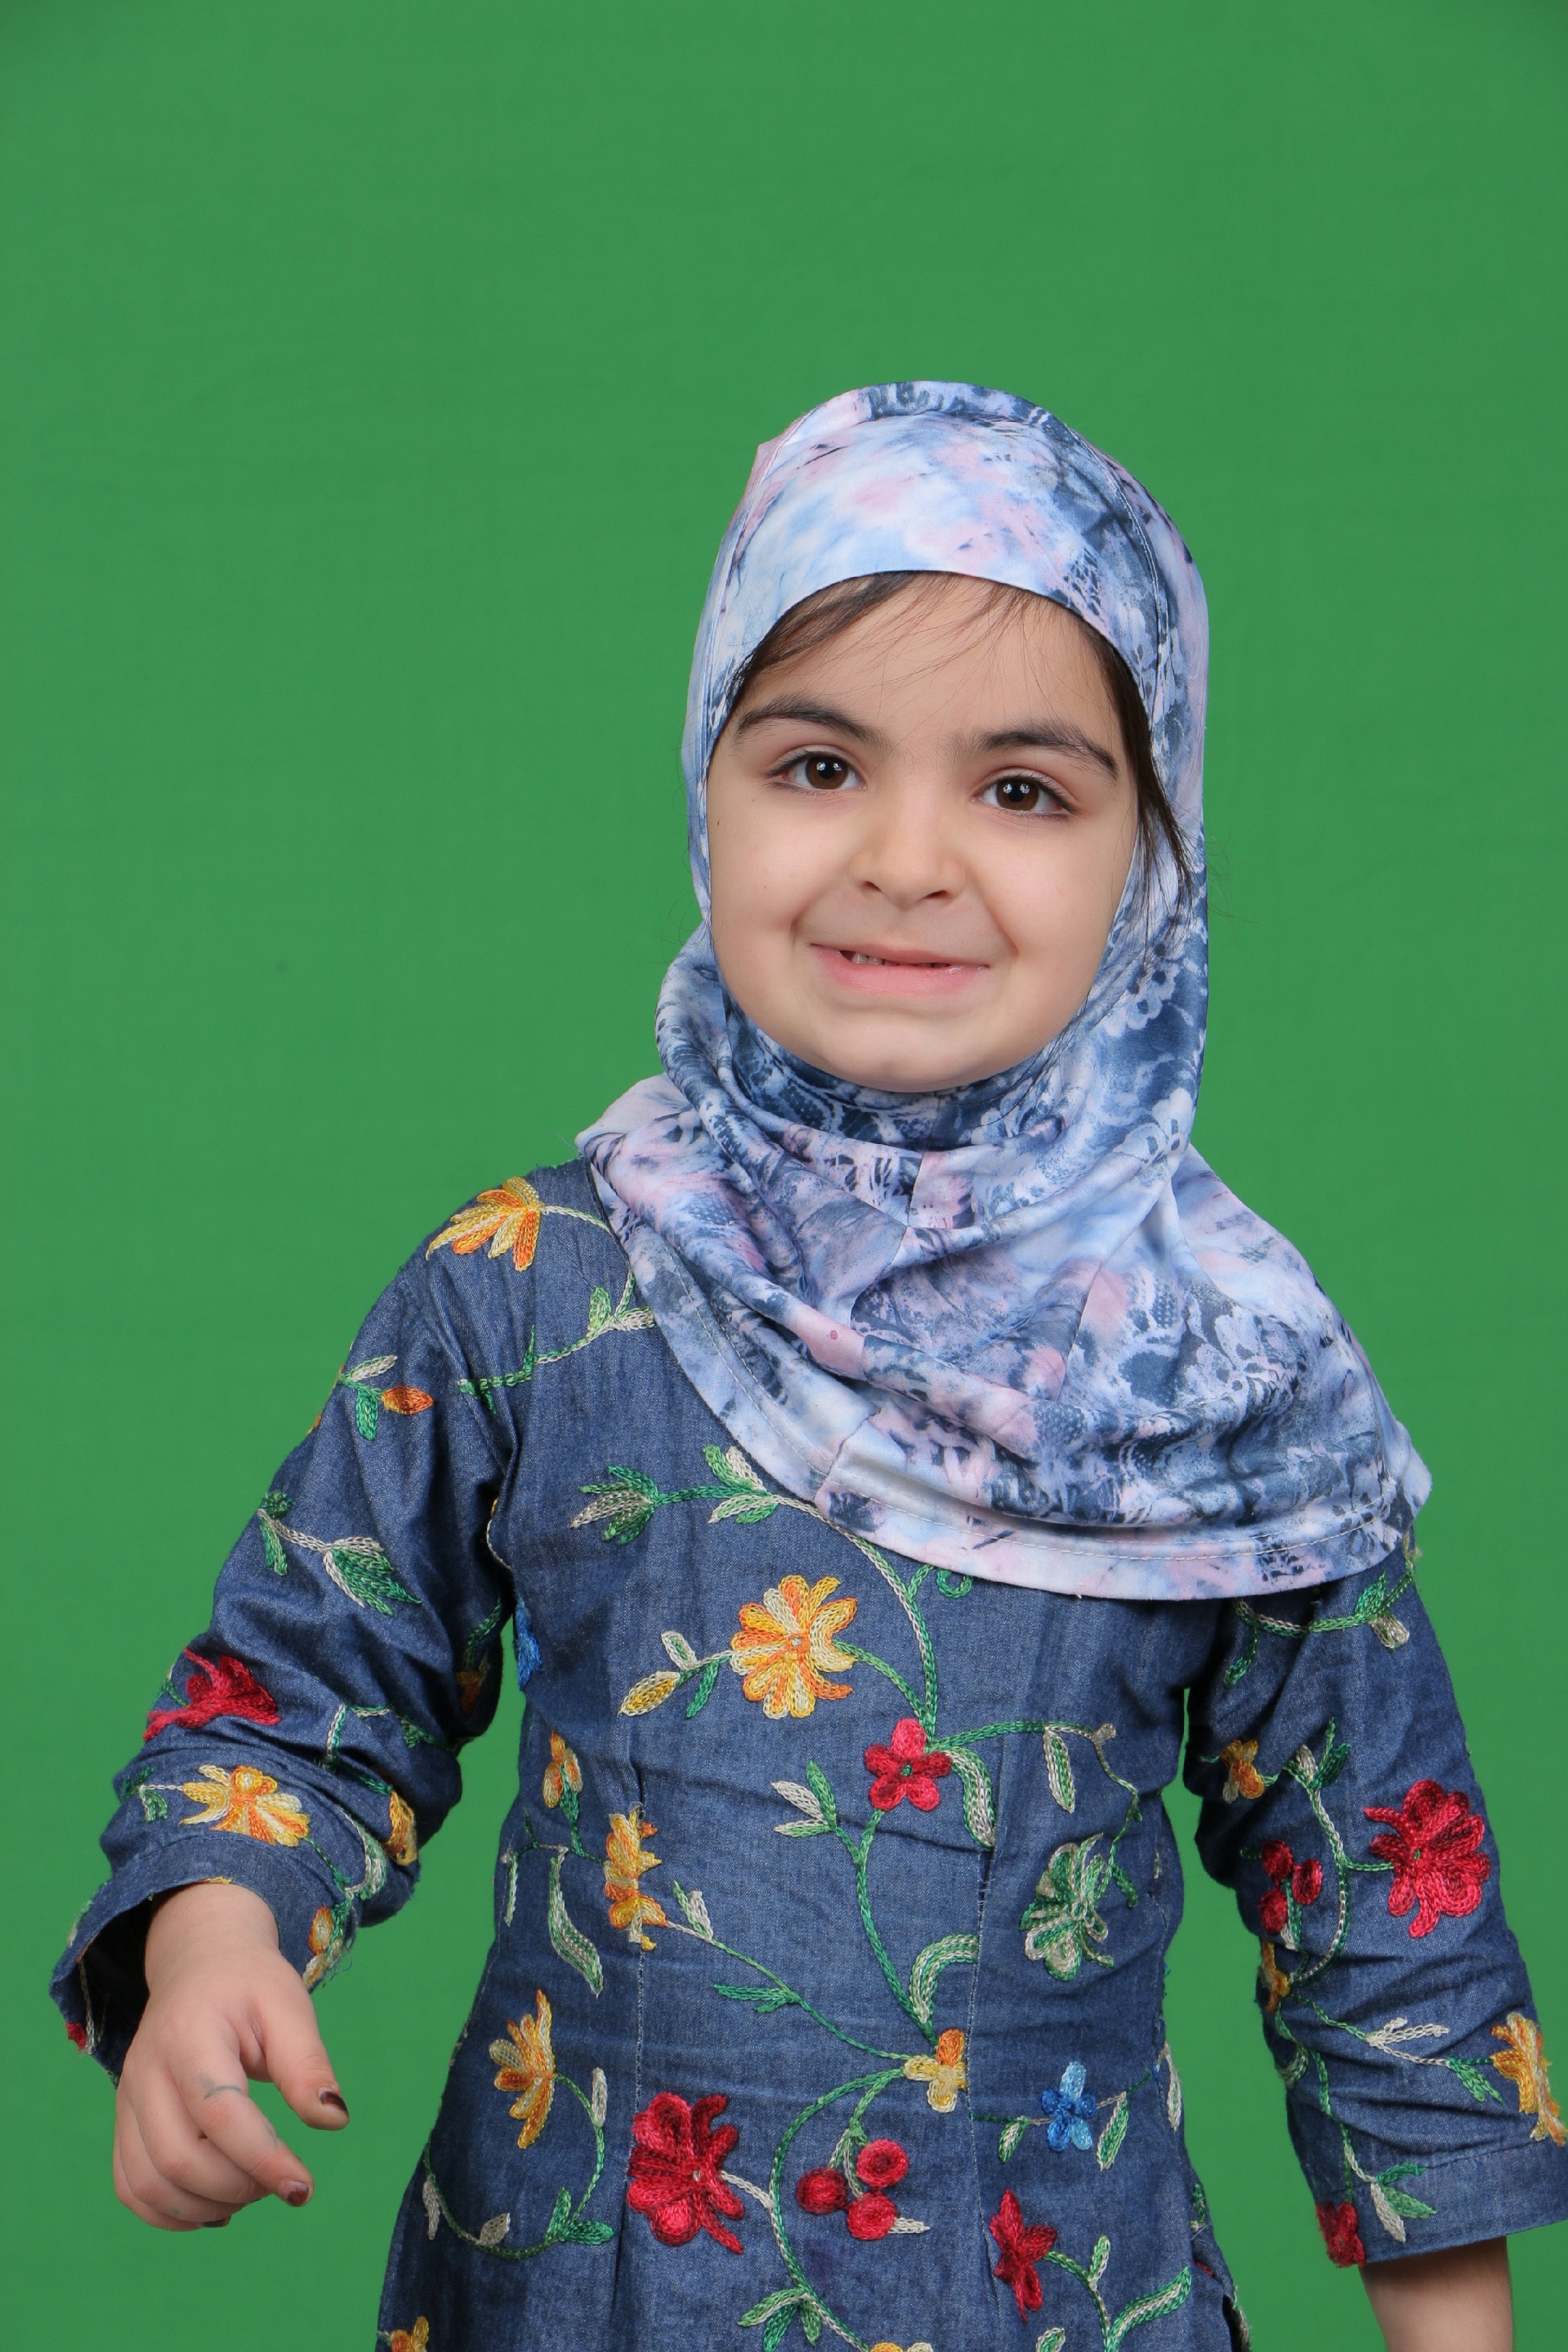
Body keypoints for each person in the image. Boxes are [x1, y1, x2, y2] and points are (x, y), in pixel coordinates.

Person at [54, 383, 1564, 2351]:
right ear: (708, 783)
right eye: (820, 763)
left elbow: (1388, 1914)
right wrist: (209, 1941)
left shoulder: (1231, 1385)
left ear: (1156, 851)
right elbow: (295, 1693)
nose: (908, 857)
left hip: (1051, 2301)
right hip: (581, 2291)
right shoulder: (537, 1284)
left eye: (1025, 791)